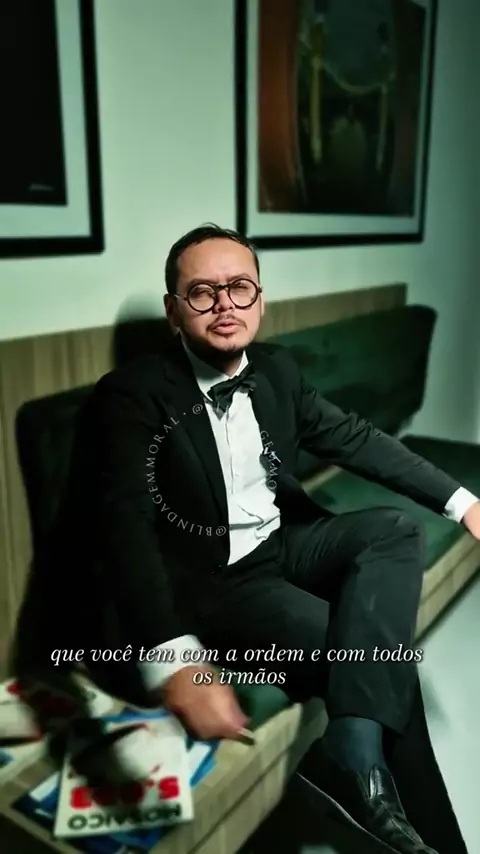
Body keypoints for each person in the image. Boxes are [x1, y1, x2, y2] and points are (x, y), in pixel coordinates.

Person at [69, 225, 478, 853]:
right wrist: (175, 661)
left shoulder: (277, 370)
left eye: (240, 287)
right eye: (202, 292)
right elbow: (123, 531)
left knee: (394, 529)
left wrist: (464, 502)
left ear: (260, 299)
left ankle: (350, 750)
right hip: (218, 585)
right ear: (174, 312)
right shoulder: (130, 396)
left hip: (281, 544)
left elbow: (358, 439)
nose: (224, 304)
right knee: (382, 665)